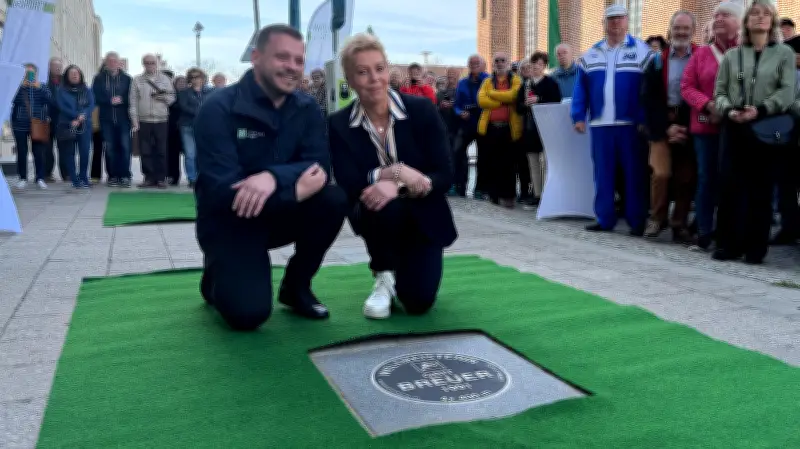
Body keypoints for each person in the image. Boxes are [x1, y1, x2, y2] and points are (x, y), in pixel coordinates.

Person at [194, 24, 347, 331]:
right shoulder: (218, 108)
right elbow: (225, 193)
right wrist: (292, 190)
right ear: (256, 57)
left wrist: (272, 177)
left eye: (298, 60)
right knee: (247, 316)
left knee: (333, 200)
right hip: (232, 220)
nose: (292, 67)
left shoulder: (307, 108)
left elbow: (319, 167)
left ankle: (296, 287)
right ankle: (216, 270)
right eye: (282, 57)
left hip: (278, 210)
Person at [328, 33, 457, 319]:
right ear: (349, 80)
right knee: (377, 198)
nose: (374, 78)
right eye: (362, 72)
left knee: (418, 303)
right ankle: (384, 275)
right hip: (378, 217)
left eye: (379, 68)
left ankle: (405, 266)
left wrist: (396, 185)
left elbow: (445, 174)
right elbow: (350, 181)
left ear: (388, 71)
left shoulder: (421, 111)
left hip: (424, 213)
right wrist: (394, 172)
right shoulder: (339, 124)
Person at [712, 0, 796, 264]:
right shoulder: (732, 55)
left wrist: (759, 109)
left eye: (765, 15)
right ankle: (729, 245)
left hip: (766, 126)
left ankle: (755, 248)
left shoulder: (784, 54)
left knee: (760, 189)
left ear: (772, 21)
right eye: (754, 14)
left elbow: (787, 92)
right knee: (730, 188)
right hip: (734, 126)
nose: (760, 18)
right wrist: (729, 111)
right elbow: (720, 92)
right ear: (747, 21)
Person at [571, 5, 653, 235]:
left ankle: (636, 221)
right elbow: (581, 90)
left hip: (630, 126)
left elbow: (650, 89)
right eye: (610, 19)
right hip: (600, 126)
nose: (615, 23)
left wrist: (645, 118)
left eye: (619, 19)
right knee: (602, 174)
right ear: (604, 24)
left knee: (634, 174)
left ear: (627, 22)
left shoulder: (641, 51)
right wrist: (578, 115)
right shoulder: (590, 54)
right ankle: (604, 218)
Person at [680, 1, 742, 251]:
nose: (717, 19)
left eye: (724, 15)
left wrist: (729, 108)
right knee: (706, 179)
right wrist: (707, 105)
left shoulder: (746, 52)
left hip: (738, 127)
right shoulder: (701, 54)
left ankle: (731, 234)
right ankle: (704, 232)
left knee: (733, 181)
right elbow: (687, 86)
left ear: (739, 21)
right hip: (706, 128)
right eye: (715, 15)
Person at [517, 53, 561, 208]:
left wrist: (539, 100)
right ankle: (537, 193)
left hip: (547, 127)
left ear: (544, 66)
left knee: (546, 161)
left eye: (539, 65)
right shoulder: (526, 85)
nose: (535, 68)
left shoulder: (551, 83)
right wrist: (525, 105)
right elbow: (518, 107)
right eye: (533, 65)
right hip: (530, 128)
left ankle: (549, 193)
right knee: (533, 162)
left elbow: (557, 102)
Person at [130, 54, 175, 188]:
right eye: (147, 63)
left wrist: (162, 98)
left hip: (161, 119)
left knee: (161, 150)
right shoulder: (137, 80)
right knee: (145, 150)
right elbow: (133, 101)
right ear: (143, 64)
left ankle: (161, 178)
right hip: (144, 120)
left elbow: (172, 98)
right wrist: (134, 120)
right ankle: (148, 177)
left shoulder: (165, 79)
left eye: (152, 63)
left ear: (157, 64)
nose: (150, 65)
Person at [92, 52, 133, 188]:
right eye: (109, 61)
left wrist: (122, 100)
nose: (112, 63)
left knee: (125, 147)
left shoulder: (127, 79)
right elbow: (95, 96)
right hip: (106, 118)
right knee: (110, 148)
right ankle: (113, 176)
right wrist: (109, 100)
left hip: (123, 118)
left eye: (115, 61)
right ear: (106, 63)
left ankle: (125, 175)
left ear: (119, 62)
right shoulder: (99, 78)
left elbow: (132, 97)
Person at [11, 63, 52, 190]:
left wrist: (39, 87)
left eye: (31, 73)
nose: (29, 75)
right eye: (26, 73)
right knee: (22, 151)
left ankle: (40, 177)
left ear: (36, 74)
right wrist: (21, 86)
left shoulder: (42, 86)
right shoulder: (17, 87)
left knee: (39, 152)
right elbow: (12, 100)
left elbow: (50, 100)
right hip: (20, 123)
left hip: (38, 123)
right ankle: (22, 178)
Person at [56, 65, 95, 189]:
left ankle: (83, 177)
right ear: (67, 76)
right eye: (72, 73)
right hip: (67, 124)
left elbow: (91, 104)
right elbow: (62, 106)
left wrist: (82, 116)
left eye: (77, 73)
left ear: (80, 75)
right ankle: (74, 179)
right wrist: (76, 116)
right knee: (69, 153)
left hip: (85, 125)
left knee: (84, 152)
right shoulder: (61, 90)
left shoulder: (87, 90)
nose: (74, 75)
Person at [177, 68, 211, 188]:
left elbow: (213, 106)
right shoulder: (184, 92)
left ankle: (204, 177)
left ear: (203, 78)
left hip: (205, 127)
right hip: (188, 126)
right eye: (193, 77)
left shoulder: (210, 92)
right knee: (190, 153)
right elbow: (184, 106)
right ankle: (192, 178)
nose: (196, 80)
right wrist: (201, 112)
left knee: (204, 154)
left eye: (198, 77)